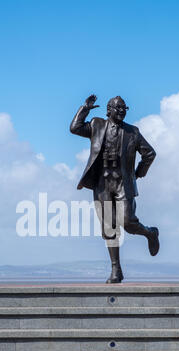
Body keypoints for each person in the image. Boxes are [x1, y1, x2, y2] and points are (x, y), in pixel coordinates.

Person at [70, 94, 159, 283]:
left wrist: (138, 173)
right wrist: (84, 108)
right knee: (109, 228)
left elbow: (149, 153)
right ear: (108, 110)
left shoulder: (133, 132)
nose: (121, 111)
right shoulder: (96, 125)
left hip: (122, 183)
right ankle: (116, 270)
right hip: (102, 184)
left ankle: (150, 233)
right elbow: (75, 128)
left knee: (127, 222)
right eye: (117, 108)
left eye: (124, 109)